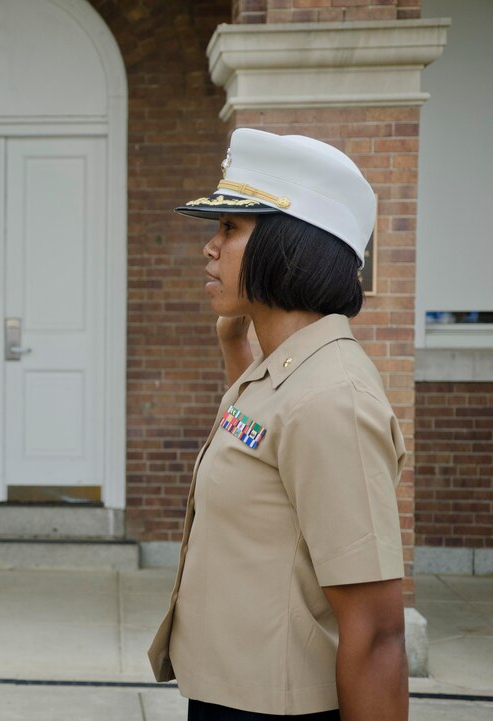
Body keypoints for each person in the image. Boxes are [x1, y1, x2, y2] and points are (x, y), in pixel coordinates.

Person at [147, 128, 409, 721]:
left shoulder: (331, 400)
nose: (208, 249)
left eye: (230, 229)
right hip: (228, 697)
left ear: (291, 246)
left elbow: (376, 634)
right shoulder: (282, 373)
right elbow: (260, 446)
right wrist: (237, 345)